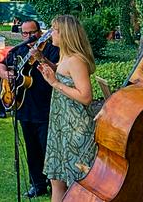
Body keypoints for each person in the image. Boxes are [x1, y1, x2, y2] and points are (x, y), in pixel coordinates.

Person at [0, 20, 60, 198]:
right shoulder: (19, 50)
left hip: (45, 107)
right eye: (25, 33)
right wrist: (6, 74)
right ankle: (37, 184)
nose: (29, 37)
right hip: (23, 106)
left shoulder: (52, 48)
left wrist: (41, 58)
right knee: (31, 149)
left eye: (33, 32)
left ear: (40, 32)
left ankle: (56, 185)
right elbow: (1, 65)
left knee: (47, 149)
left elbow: (59, 72)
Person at [37, 15, 97, 202]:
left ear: (65, 34)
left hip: (75, 128)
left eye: (54, 30)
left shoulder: (76, 60)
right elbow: (65, 76)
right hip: (61, 126)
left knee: (76, 182)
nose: (50, 33)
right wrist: (49, 69)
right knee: (57, 179)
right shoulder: (65, 56)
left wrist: (55, 83)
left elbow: (86, 97)